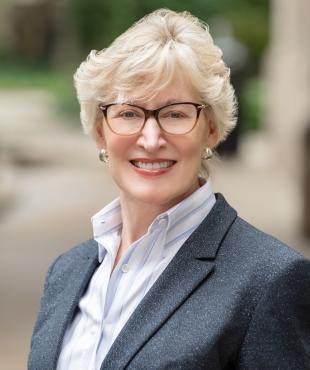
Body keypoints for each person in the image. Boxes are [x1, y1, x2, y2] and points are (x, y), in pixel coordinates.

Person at [28, 8, 310, 370]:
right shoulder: (65, 272)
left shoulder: (271, 280)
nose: (150, 138)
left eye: (176, 114)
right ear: (101, 131)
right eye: (129, 113)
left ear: (210, 129)